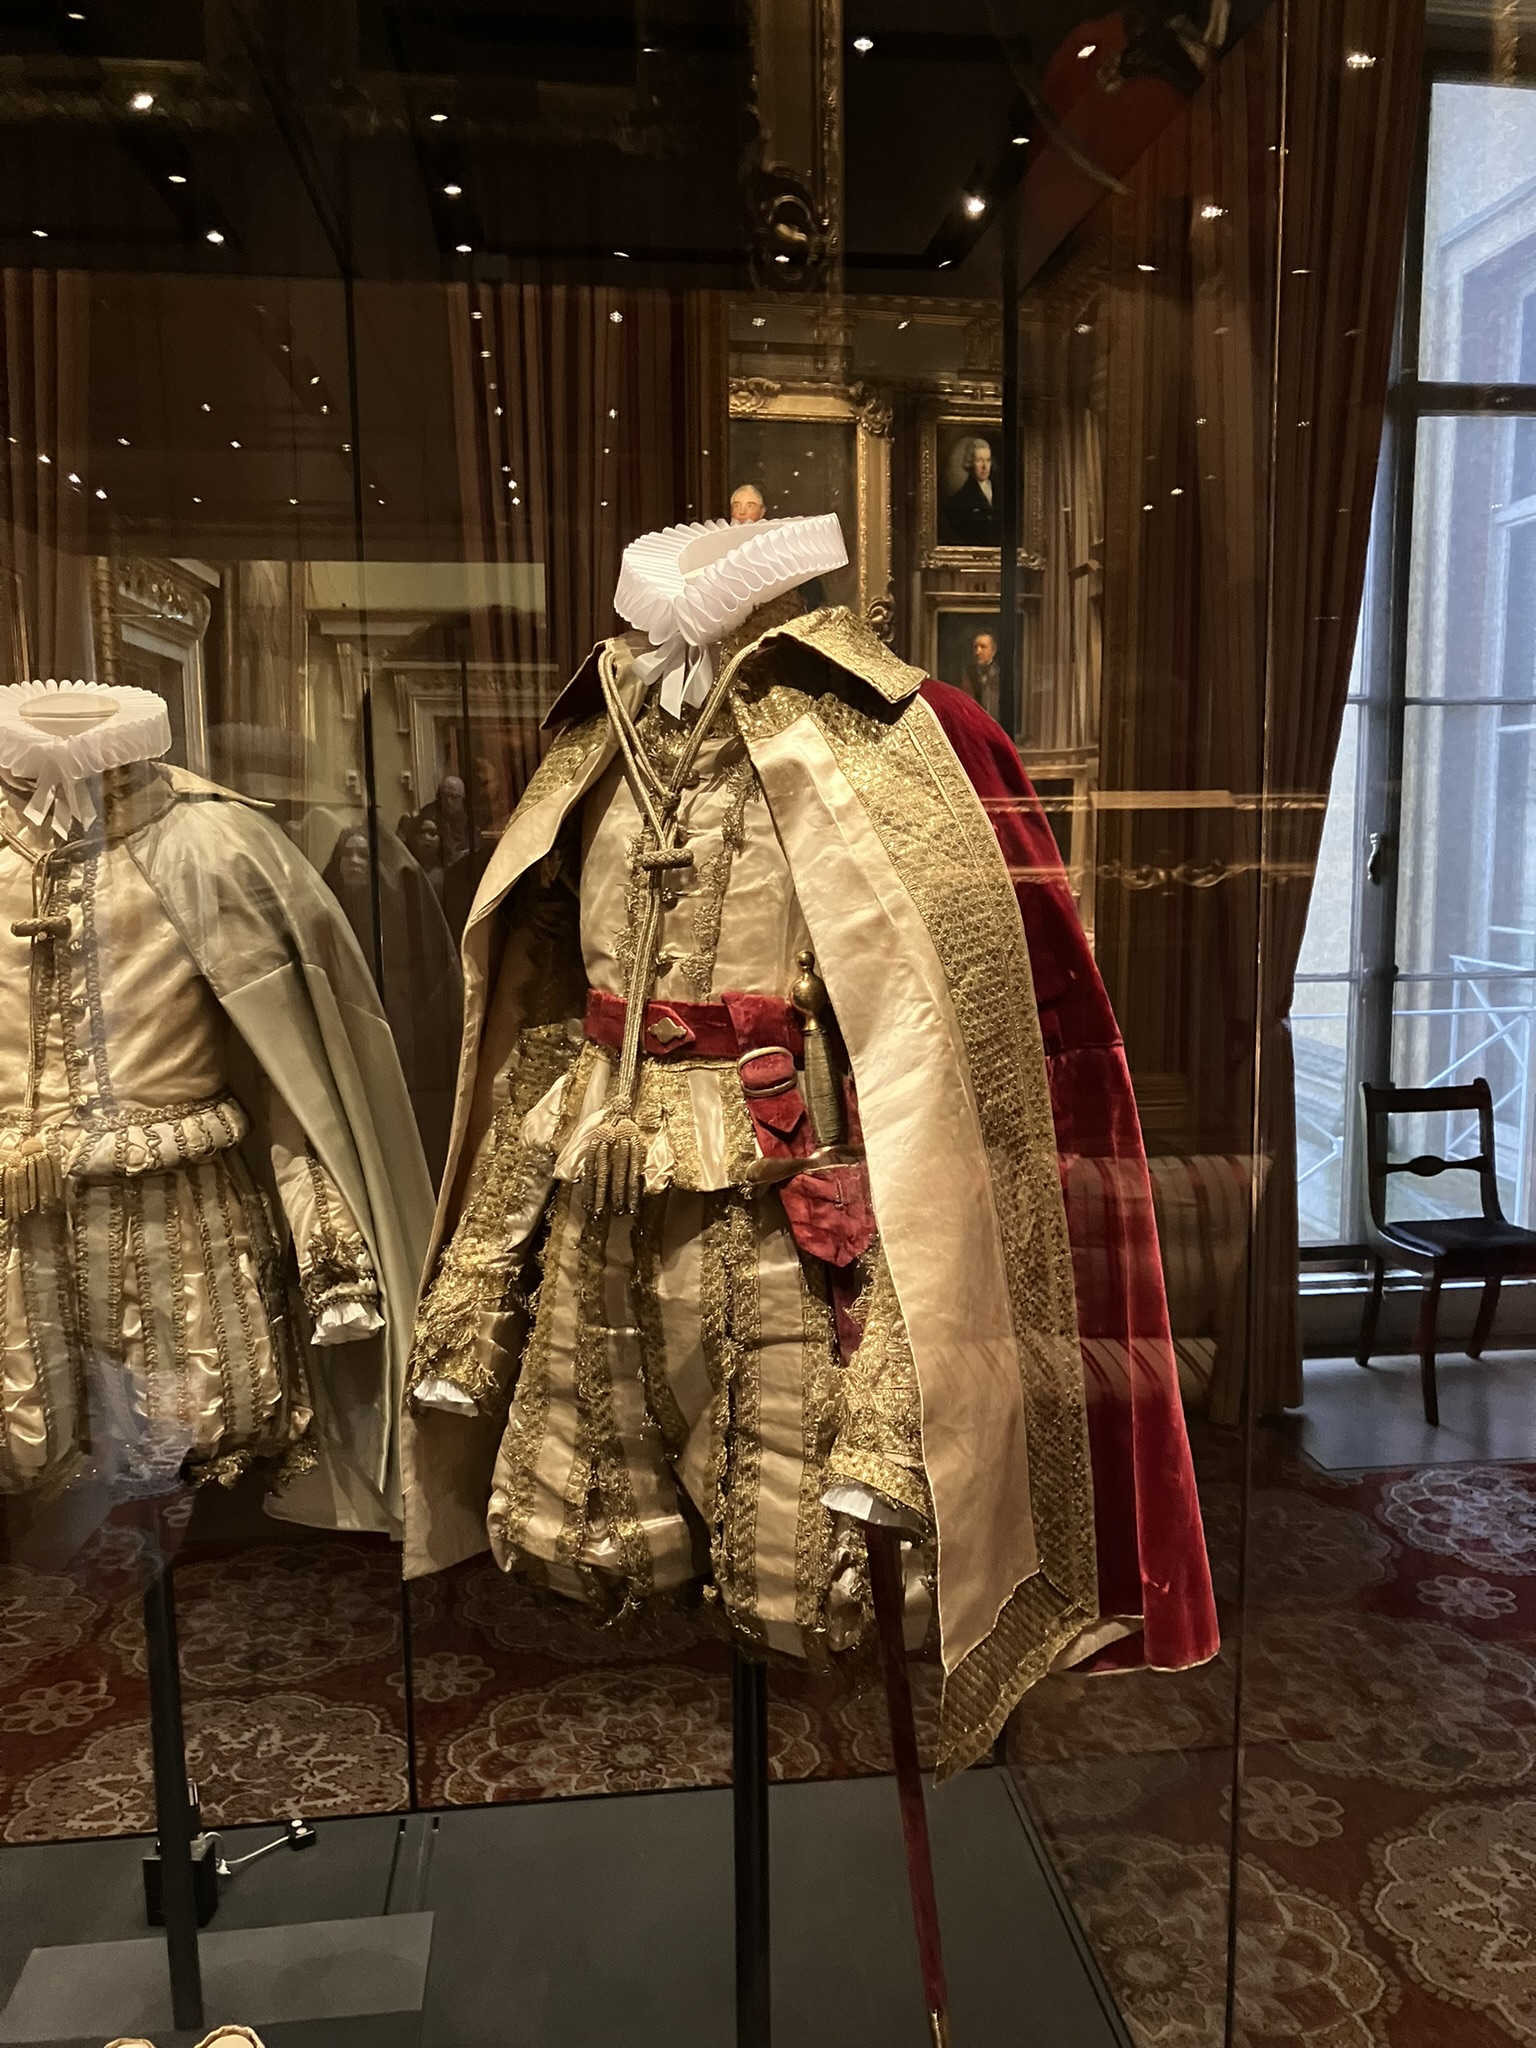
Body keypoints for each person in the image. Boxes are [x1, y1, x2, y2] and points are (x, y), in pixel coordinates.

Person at [939, 435, 1001, 547]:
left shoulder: (1000, 491)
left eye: (987, 460)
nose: (984, 466)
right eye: (979, 460)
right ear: (970, 463)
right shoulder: (958, 501)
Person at [963, 628, 1002, 721]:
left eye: (983, 647)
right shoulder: (969, 674)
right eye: (975, 647)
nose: (978, 652)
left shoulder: (1001, 674)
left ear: (993, 650)